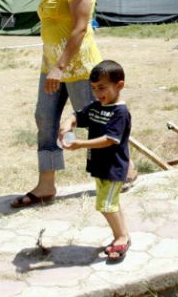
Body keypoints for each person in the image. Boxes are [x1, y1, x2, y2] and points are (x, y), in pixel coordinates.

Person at [11, 0, 109, 208]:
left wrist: (62, 65)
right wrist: (53, 66)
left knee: (96, 123)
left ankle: (119, 172)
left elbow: (80, 28)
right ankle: (46, 185)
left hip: (79, 67)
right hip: (51, 67)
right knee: (44, 119)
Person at [59, 60, 132, 263]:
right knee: (110, 204)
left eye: (102, 88)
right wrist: (67, 124)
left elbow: (110, 140)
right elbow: (77, 116)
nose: (97, 93)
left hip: (113, 167)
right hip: (99, 166)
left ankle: (121, 237)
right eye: (93, 88)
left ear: (119, 85)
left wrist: (80, 144)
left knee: (105, 205)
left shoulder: (120, 113)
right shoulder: (96, 106)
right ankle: (122, 233)